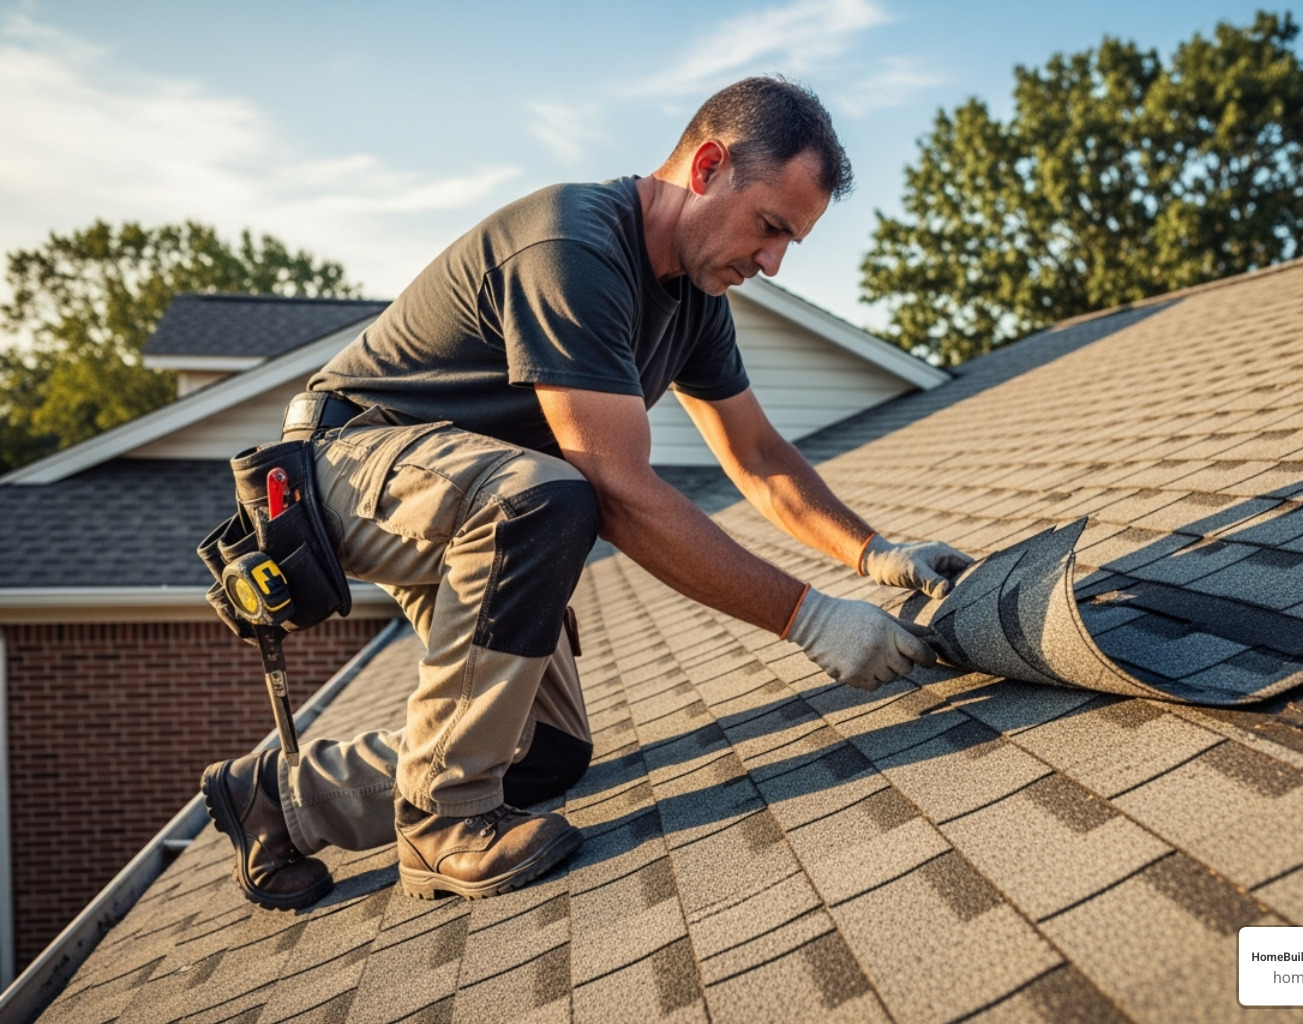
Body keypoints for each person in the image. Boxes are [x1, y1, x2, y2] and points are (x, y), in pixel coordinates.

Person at [200, 76, 972, 910]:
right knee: (553, 496)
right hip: (343, 467)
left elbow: (757, 455)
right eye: (771, 226)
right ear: (707, 167)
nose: (773, 262)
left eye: (792, 241)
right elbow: (616, 489)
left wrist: (874, 554)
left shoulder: (696, 299)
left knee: (541, 754)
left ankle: (279, 799)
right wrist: (811, 621)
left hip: (472, 496)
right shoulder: (572, 245)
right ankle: (441, 822)